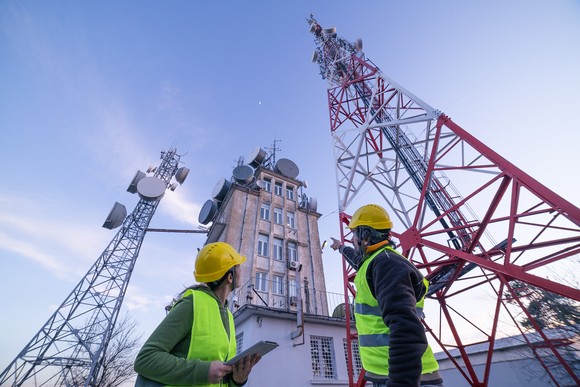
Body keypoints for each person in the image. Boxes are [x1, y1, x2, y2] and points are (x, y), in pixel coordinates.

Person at [330, 204, 443, 387]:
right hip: (388, 373)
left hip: (406, 377)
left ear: (365, 237)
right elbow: (358, 260)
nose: (353, 240)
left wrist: (400, 382)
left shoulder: (387, 265)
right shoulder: (378, 262)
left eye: (354, 235)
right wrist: (341, 248)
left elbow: (405, 327)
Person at [134, 242, 260, 387]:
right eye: (238, 266)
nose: (241, 270)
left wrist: (236, 380)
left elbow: (219, 377)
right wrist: (202, 371)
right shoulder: (192, 303)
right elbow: (145, 359)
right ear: (230, 277)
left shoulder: (229, 316)